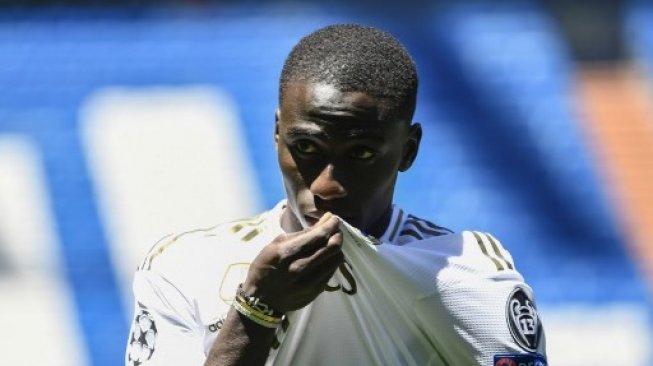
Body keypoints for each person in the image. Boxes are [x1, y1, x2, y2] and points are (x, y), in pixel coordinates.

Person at [126, 24, 547, 366]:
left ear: (408, 151)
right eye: (306, 148)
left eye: (360, 153)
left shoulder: (465, 270)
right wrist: (257, 310)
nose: (326, 186)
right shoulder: (183, 266)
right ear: (277, 133)